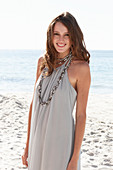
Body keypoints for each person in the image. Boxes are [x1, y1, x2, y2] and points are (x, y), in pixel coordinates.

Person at [22, 12, 91, 170]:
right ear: (50, 36)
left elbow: (81, 115)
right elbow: (33, 105)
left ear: (73, 37)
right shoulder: (42, 63)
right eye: (57, 34)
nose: (61, 40)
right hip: (37, 139)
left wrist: (74, 158)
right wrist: (27, 146)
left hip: (61, 143)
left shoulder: (81, 68)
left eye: (66, 34)